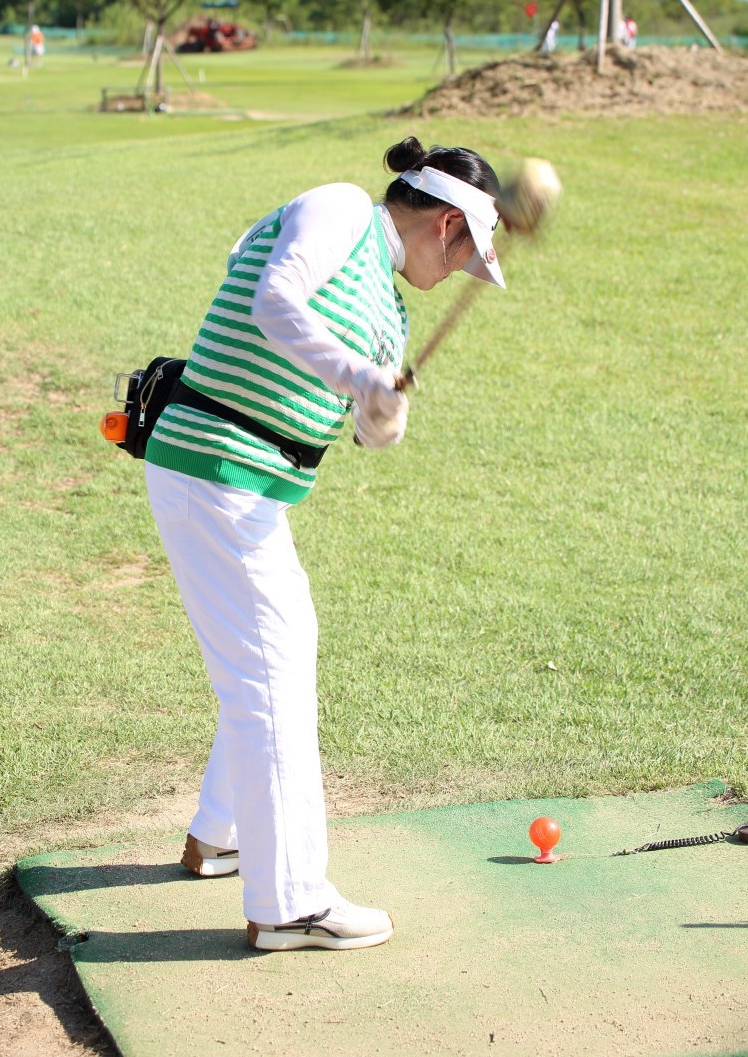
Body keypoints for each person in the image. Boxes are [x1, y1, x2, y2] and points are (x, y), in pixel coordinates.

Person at [144, 136, 506, 953]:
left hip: (245, 486)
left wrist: (384, 409)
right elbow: (273, 302)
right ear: (446, 224)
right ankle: (289, 903)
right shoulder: (341, 209)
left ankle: (219, 833)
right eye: (466, 256)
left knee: (277, 658)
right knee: (270, 674)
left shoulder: (390, 309)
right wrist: (359, 377)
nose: (460, 272)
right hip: (215, 467)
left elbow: (368, 431)